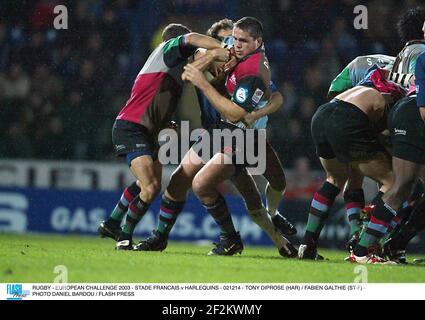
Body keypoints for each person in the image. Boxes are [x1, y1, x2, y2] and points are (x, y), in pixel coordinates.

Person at [136, 18, 296, 257]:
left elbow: (275, 97)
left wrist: (258, 113)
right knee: (179, 180)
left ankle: (278, 239)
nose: (230, 47)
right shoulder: (209, 63)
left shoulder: (245, 71)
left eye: (233, 41)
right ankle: (160, 236)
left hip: (243, 137)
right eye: (225, 42)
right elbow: (186, 73)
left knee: (255, 198)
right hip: (213, 133)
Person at [98, 23, 230, 250]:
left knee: (148, 185)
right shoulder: (167, 50)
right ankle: (124, 238)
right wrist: (222, 48)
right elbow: (192, 38)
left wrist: (164, 120)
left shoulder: (173, 69)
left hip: (148, 129)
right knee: (149, 188)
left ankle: (112, 222)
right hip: (131, 128)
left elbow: (151, 97)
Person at [298, 68, 403, 263]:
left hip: (322, 114)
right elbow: (388, 135)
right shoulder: (395, 94)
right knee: (394, 183)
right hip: (348, 119)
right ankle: (364, 250)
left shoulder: (366, 79)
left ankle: (307, 244)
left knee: (334, 179)